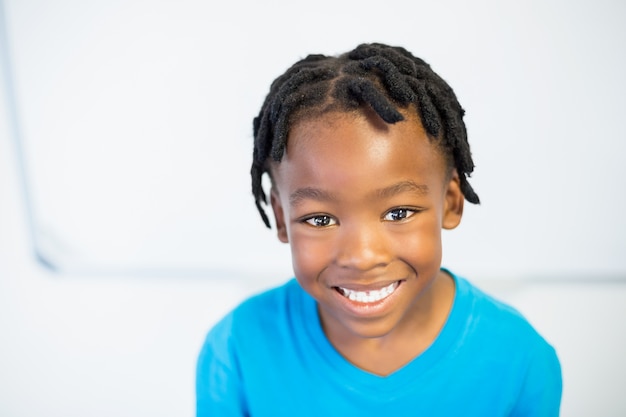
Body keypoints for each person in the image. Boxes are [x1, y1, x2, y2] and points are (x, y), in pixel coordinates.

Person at [196, 42, 562, 416]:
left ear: (451, 202)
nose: (362, 256)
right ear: (280, 217)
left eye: (399, 212)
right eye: (320, 219)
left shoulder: (519, 358)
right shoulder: (238, 349)